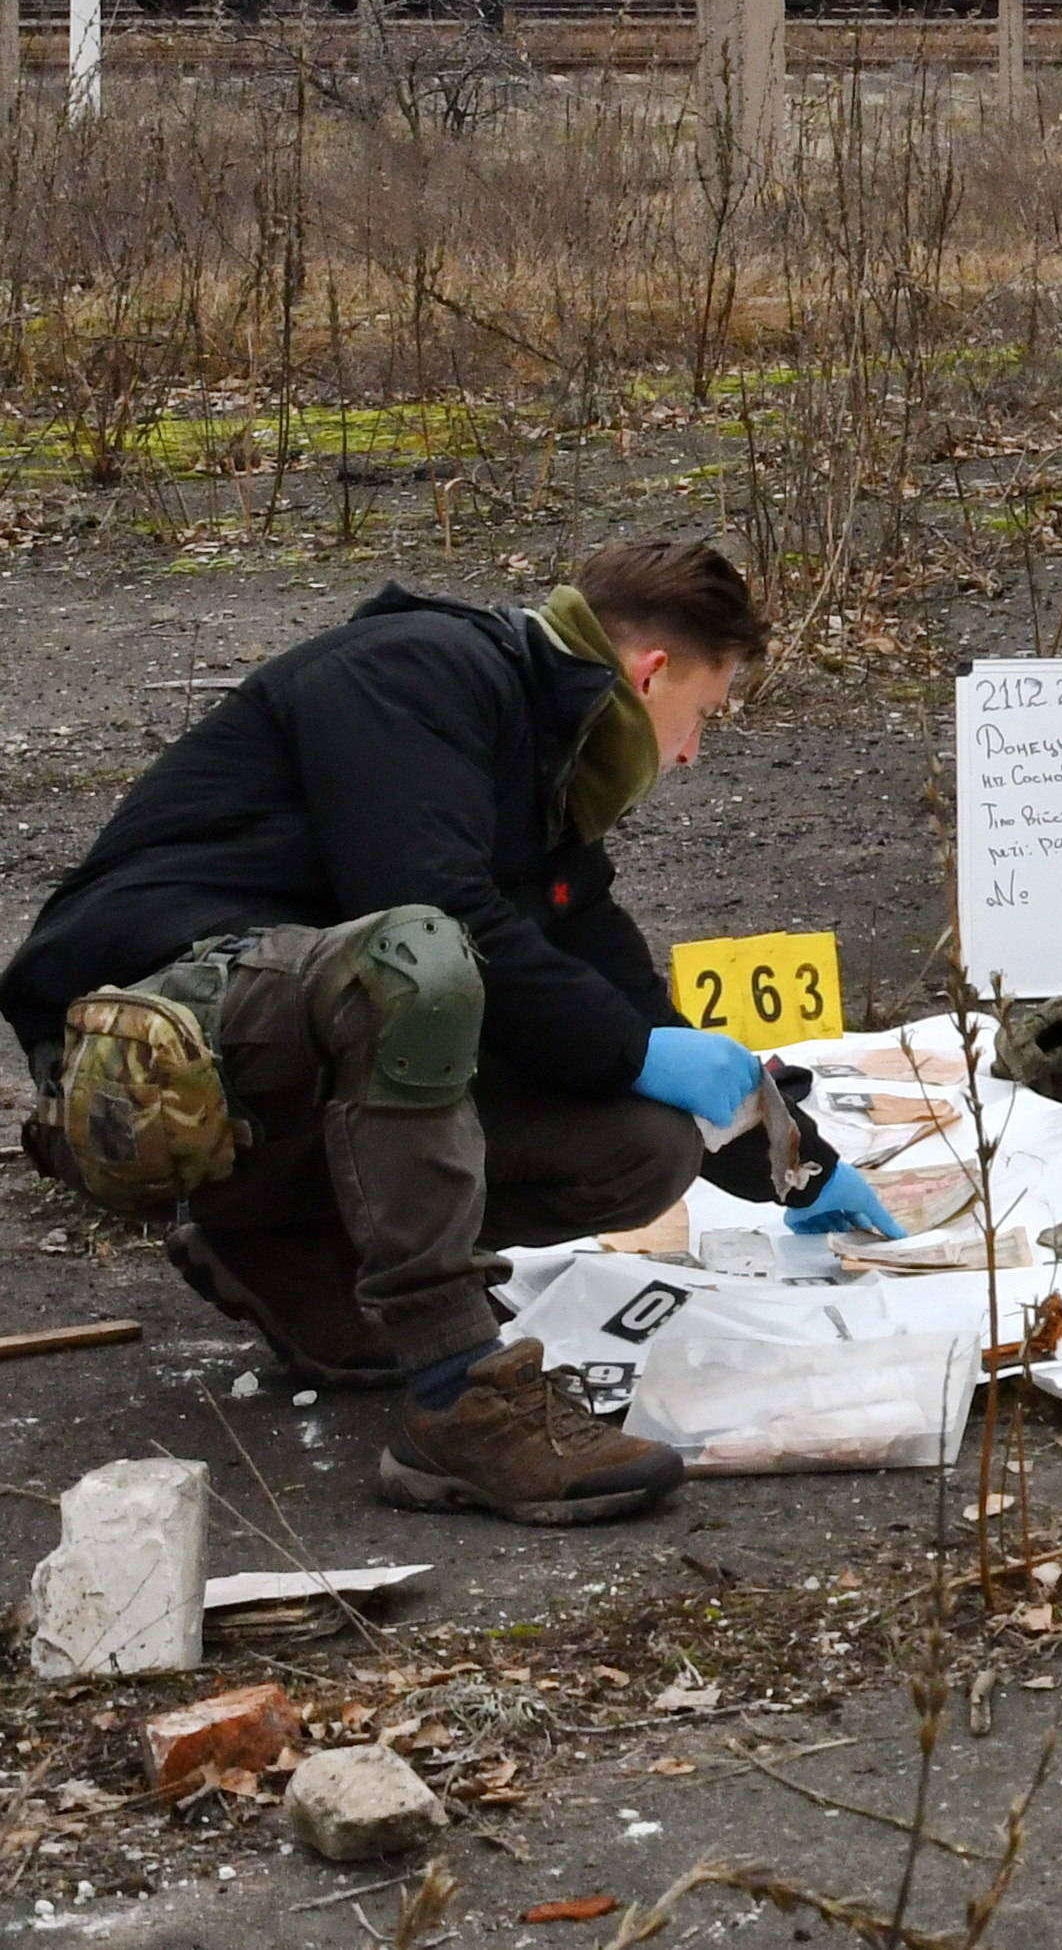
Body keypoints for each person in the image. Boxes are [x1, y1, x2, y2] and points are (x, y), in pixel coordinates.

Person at [4, 541, 882, 1521]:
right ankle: (460, 1400)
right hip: (128, 1056)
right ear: (650, 674)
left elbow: (618, 997)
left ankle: (291, 1254)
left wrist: (795, 1164)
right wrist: (634, 1049)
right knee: (419, 961)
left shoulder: (541, 780)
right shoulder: (414, 674)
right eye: (702, 719)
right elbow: (429, 911)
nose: (688, 754)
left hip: (262, 1068)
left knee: (644, 1143)